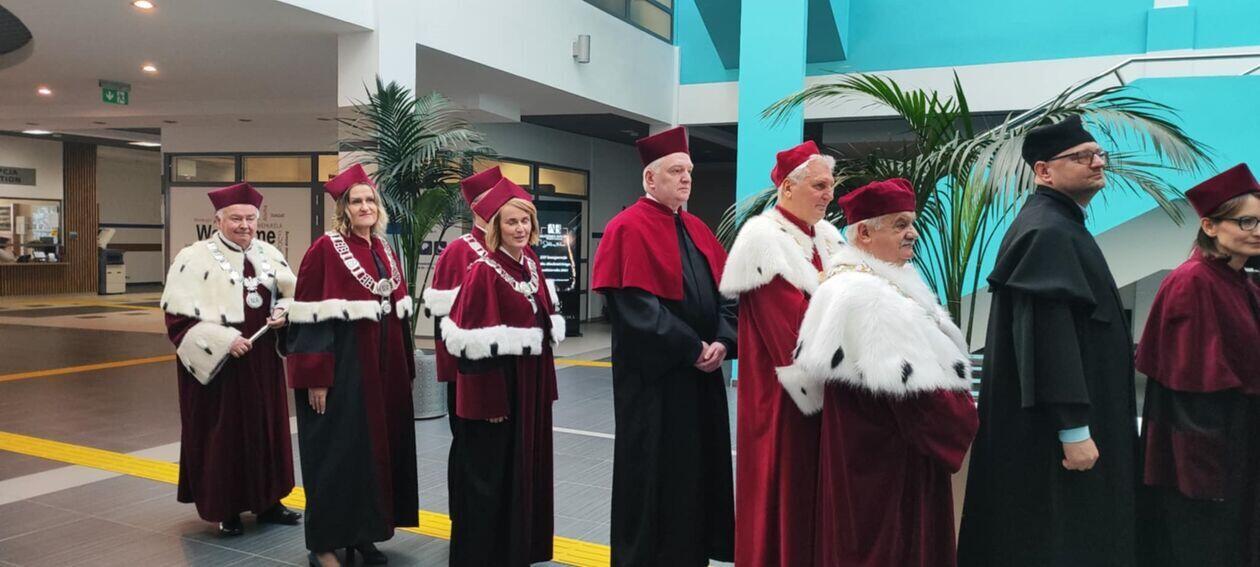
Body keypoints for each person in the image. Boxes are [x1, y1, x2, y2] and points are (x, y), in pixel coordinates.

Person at [957, 116, 1138, 567]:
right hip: (1056, 435)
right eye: (1082, 157)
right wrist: (1073, 430)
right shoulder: (1047, 232)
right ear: (1044, 171)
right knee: (1057, 538)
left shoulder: (1061, 225)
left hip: (1064, 425)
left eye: (1099, 154)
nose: (1097, 163)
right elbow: (1049, 339)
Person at [777, 178, 978, 566]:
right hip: (884, 469)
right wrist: (965, 417)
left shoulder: (875, 282)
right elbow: (919, 399)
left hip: (873, 460)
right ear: (865, 233)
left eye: (912, 223)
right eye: (900, 224)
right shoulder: (865, 295)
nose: (912, 233)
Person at [592, 125, 737, 566]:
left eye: (689, 170)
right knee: (654, 474)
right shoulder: (625, 229)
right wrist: (693, 349)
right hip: (654, 383)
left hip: (701, 380)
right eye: (676, 170)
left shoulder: (697, 228)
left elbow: (729, 294)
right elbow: (636, 310)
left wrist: (723, 341)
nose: (686, 178)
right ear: (650, 178)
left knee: (697, 473)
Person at [285, 164, 418, 567]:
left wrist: (406, 369)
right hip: (344, 373)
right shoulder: (325, 250)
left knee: (373, 455)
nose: (365, 207)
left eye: (370, 200)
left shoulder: (383, 249)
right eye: (356, 201)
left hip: (382, 375)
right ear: (343, 209)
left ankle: (364, 533)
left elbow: (399, 315)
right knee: (337, 457)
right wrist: (316, 377)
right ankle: (323, 543)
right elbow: (309, 316)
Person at [719, 140, 841, 567]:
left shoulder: (827, 237)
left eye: (831, 186)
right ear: (788, 187)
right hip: (785, 402)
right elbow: (791, 336)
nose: (829, 195)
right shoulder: (763, 240)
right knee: (784, 501)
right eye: (819, 186)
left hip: (826, 391)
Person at [160, 182, 302, 537]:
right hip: (219, 370)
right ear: (218, 220)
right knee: (224, 436)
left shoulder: (269, 253)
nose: (244, 225)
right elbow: (177, 319)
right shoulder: (193, 258)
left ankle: (268, 501)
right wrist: (224, 341)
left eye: (250, 218)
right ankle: (226, 507)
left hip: (263, 362)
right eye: (236, 218)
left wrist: (284, 312)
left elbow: (291, 295)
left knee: (266, 429)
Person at [1136, 164, 1260, 567]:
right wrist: (1207, 469)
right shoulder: (1193, 282)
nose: (1257, 230)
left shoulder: (1239, 281)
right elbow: (1189, 388)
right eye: (1246, 221)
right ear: (1210, 225)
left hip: (1235, 446)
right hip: (1204, 456)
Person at [441, 177, 565, 566]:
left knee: (524, 471)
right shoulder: (483, 271)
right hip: (499, 393)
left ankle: (517, 550)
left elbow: (544, 326)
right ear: (496, 226)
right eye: (512, 222)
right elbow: (471, 345)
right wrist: (489, 401)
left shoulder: (531, 264)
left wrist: (544, 388)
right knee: (490, 476)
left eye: (526, 221)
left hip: (529, 387)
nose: (520, 228)